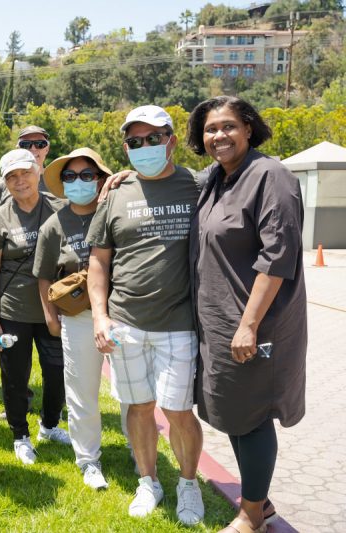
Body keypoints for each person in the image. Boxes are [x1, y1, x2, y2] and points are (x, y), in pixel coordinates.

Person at [186, 96, 306, 533]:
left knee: (251, 415)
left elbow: (278, 256)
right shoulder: (215, 179)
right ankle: (263, 499)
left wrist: (249, 325)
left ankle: (251, 514)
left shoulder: (271, 176)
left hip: (254, 324)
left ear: (249, 128)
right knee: (232, 412)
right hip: (218, 321)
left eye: (228, 126)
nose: (219, 135)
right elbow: (176, 181)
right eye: (210, 129)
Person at [86, 105, 205, 524]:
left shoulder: (197, 185)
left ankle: (188, 485)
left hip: (179, 323)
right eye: (135, 142)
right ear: (126, 147)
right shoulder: (116, 193)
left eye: (153, 139)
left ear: (171, 140)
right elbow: (99, 261)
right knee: (138, 407)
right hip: (125, 322)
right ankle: (148, 480)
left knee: (177, 412)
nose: (145, 147)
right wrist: (100, 317)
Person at [33, 147, 131, 490]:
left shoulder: (118, 210)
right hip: (77, 316)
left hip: (121, 312)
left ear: (101, 178)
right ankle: (89, 460)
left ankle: (139, 449)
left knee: (131, 388)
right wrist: (50, 317)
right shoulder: (53, 224)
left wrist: (127, 177)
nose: (78, 182)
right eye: (70, 176)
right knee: (81, 389)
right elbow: (43, 275)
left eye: (87, 175)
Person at [0, 148, 71, 465]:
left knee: (57, 371)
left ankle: (49, 424)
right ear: (5, 182)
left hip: (54, 310)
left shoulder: (61, 210)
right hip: (14, 310)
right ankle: (20, 435)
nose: (20, 181)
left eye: (25, 173)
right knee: (15, 377)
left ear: (38, 173)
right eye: (12, 177)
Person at [0, 125, 52, 212]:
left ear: (47, 149)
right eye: (25, 144)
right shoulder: (3, 182)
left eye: (40, 144)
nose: (33, 148)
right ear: (18, 149)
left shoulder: (57, 181)